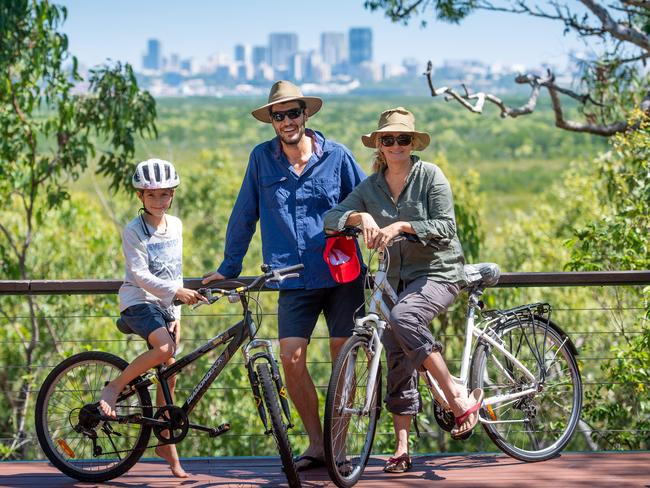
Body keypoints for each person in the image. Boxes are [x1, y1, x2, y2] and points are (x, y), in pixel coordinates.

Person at [202, 81, 366, 471]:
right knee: (291, 358)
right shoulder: (261, 159)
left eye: (294, 113)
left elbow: (367, 198)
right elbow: (245, 214)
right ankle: (316, 444)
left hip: (341, 275)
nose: (288, 121)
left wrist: (385, 230)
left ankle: (339, 446)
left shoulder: (337, 155)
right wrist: (229, 269)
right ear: (272, 122)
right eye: (279, 115)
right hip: (291, 277)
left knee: (343, 358)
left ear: (305, 115)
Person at [323, 107, 483, 473]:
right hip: (396, 280)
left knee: (404, 317)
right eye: (388, 139)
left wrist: (399, 227)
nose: (395, 145)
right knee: (394, 351)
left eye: (403, 139)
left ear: (413, 144)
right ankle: (402, 447)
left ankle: (457, 397)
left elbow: (445, 226)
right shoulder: (370, 186)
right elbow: (329, 220)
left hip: (438, 272)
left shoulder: (430, 177)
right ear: (378, 145)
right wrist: (359, 217)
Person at [99, 159, 207, 478]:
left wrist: (176, 313)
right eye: (152, 195)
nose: (159, 202)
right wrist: (178, 292)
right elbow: (141, 275)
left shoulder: (176, 226)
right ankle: (114, 388)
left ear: (172, 195)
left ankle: (164, 441)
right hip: (137, 301)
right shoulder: (134, 230)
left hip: (165, 305)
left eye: (165, 195)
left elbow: (175, 268)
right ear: (140, 196)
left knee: (169, 371)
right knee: (163, 350)